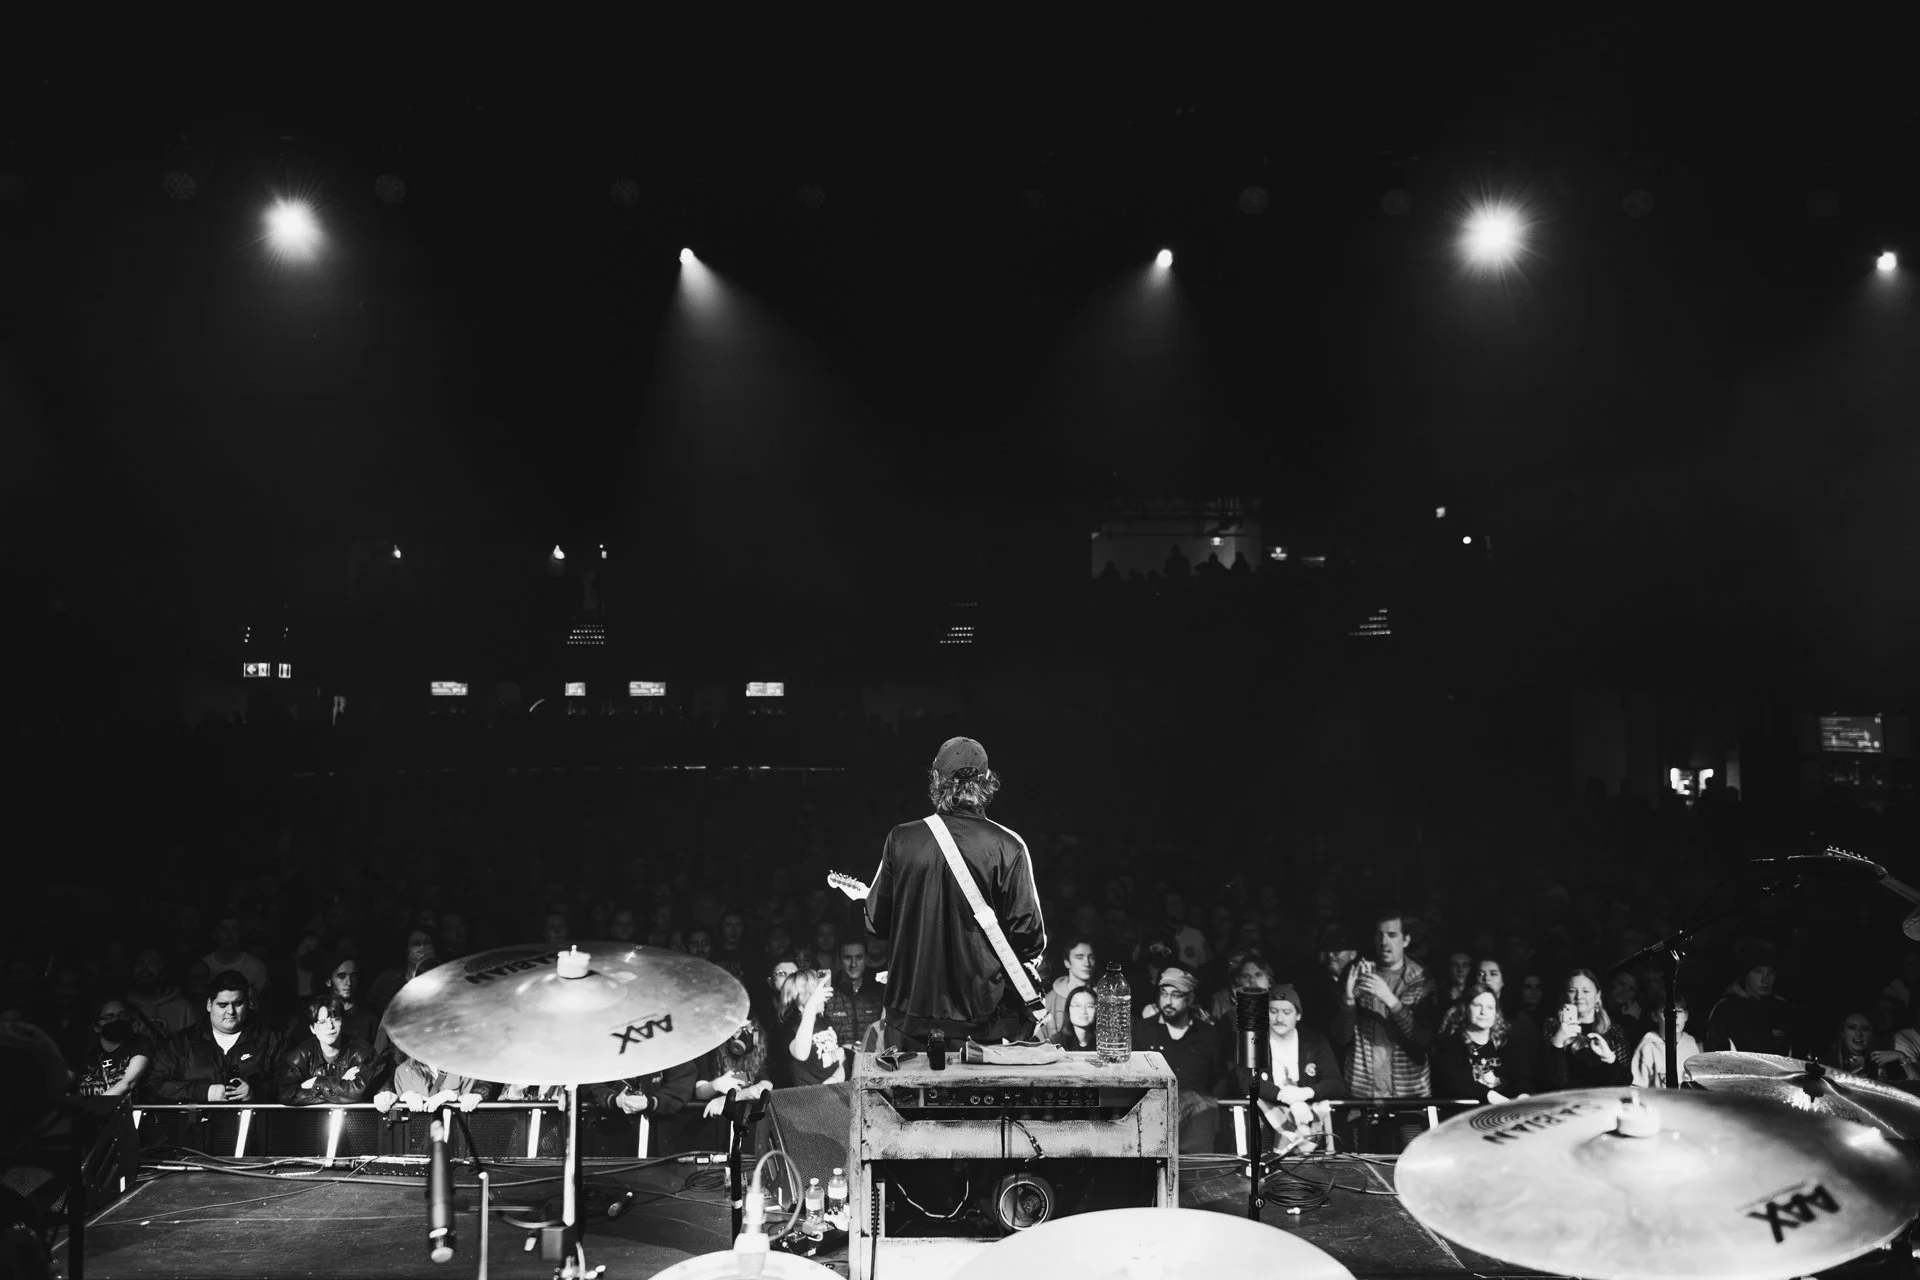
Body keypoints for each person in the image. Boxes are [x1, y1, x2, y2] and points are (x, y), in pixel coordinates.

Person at [859, 737, 1047, 1051]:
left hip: (909, 1020)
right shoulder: (1009, 846)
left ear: (936, 780)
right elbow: (1029, 939)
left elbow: (875, 921)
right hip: (983, 1024)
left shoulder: (901, 839)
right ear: (988, 782)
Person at [1217, 985, 1347, 1155]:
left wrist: (1306, 1093)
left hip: (1308, 1120)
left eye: (1287, 1012)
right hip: (1264, 1124)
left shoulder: (1314, 1041)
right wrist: (1284, 1096)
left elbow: (1336, 1083)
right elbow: (1246, 1080)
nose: (1279, 1018)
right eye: (1273, 1011)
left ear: (1298, 1015)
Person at [145, 972, 281, 1103]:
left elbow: (289, 1084)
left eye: (238, 1004)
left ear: (248, 1003)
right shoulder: (182, 1043)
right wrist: (205, 1092)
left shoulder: (271, 1041)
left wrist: (256, 1092)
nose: (231, 1011)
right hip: (196, 1124)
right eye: (223, 1005)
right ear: (209, 1005)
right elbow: (154, 1084)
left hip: (252, 1123)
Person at [1132, 966, 1223, 1154]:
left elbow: (1219, 1078)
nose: (1168, 1001)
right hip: (1155, 1124)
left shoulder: (1208, 1034)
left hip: (1198, 1125)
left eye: (1176, 995)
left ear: (1190, 999)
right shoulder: (1144, 1031)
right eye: (1164, 994)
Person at [1429, 984, 1532, 1107]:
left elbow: (1522, 1077)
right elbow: (1454, 1082)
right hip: (1464, 1115)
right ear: (1465, 1009)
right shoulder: (1449, 1043)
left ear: (1496, 1012)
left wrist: (1523, 1096)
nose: (1484, 1012)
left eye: (1490, 1007)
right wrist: (1493, 1098)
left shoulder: (1506, 1041)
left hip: (1506, 1114)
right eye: (1478, 1006)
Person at [1540, 969, 1631, 1090]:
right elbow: (1548, 1081)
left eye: (1586, 991)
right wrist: (1558, 1043)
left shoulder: (1614, 1030)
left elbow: (1625, 1083)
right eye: (1572, 991)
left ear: (1598, 995)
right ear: (1565, 995)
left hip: (1603, 1102)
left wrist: (1609, 1057)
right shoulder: (1552, 1026)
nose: (1579, 996)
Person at [278, 997, 375, 1105]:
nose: (330, 1026)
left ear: (341, 1022)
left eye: (335, 1019)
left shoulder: (361, 1052)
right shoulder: (301, 1055)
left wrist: (315, 1083)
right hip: (312, 1120)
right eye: (322, 1022)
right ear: (312, 1028)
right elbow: (286, 1094)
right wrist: (340, 1082)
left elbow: (359, 1092)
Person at [820, 938, 885, 1075]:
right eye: (848, 958)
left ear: (866, 959)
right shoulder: (826, 997)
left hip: (872, 1069)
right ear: (838, 960)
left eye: (859, 957)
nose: (854, 964)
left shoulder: (878, 996)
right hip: (836, 1071)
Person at [73, 1000, 155, 1098]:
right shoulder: (83, 1053)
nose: (116, 1020)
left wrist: (95, 1107)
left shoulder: (140, 1044)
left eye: (122, 1015)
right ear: (96, 1026)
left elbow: (127, 1083)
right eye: (109, 1017)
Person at [778, 969, 844, 1087]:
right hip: (808, 1099)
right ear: (804, 996)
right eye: (818, 988)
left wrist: (836, 1077)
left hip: (832, 1093)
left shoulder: (824, 1021)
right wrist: (811, 1006)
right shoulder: (790, 1027)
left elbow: (840, 1056)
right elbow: (801, 1053)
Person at [1823, 1010, 1918, 1082]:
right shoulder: (1827, 1061)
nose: (1858, 1033)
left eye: (1865, 1029)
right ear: (1842, 1033)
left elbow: (1915, 1090)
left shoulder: (1884, 1060)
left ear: (1872, 1034)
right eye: (1852, 1027)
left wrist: (1901, 1057)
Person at [1630, 995, 1702, 1089]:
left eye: (1679, 1011)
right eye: (1666, 1012)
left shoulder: (1693, 1043)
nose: (1674, 1017)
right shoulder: (1648, 1045)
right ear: (1655, 1016)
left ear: (1686, 1016)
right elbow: (1636, 1088)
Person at [125, 949, 196, 1041]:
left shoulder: (182, 1008)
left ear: (164, 972)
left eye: (153, 962)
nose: (145, 967)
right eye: (141, 962)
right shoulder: (123, 1006)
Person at [1042, 940, 1097, 1038]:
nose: (1087, 963)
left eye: (1091, 957)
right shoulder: (1050, 1001)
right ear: (1067, 963)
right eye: (1079, 957)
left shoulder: (1105, 998)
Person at [1051, 986, 1098, 1051]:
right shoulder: (1055, 1042)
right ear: (1068, 1010)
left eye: (1089, 1006)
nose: (1083, 1011)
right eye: (1077, 1006)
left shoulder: (1104, 1043)